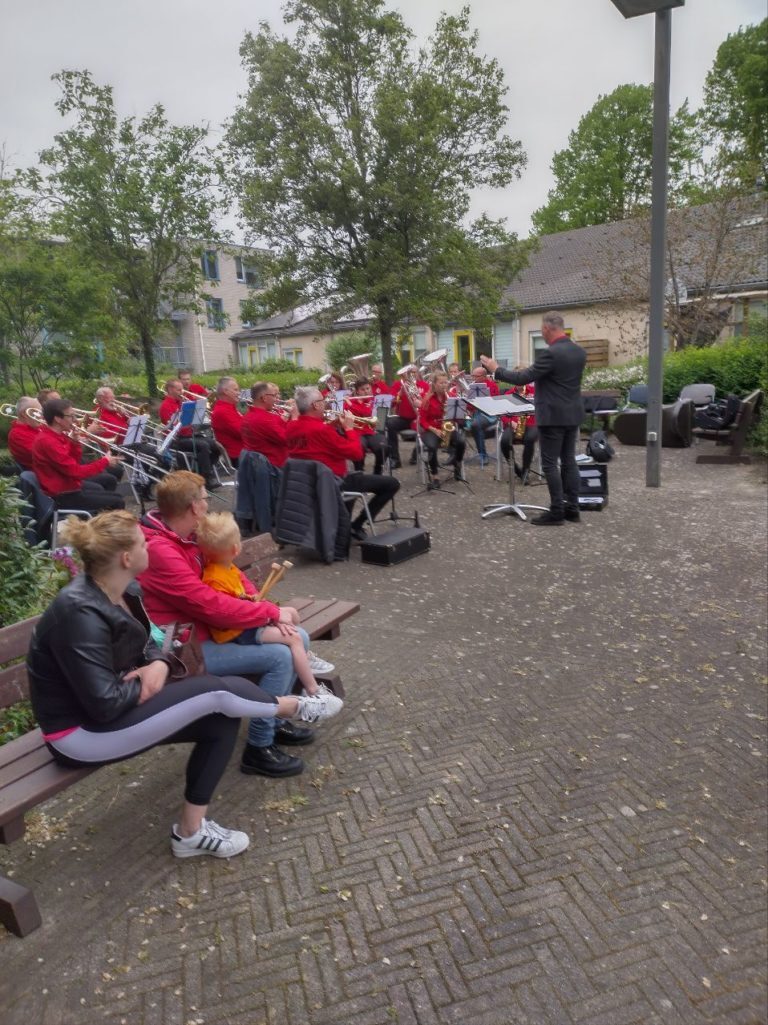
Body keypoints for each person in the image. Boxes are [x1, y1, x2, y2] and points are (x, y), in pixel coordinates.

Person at [27, 510, 342, 861]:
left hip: (112, 709)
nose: (152, 546)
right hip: (79, 735)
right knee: (213, 692)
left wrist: (158, 664)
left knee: (220, 719)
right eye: (144, 543)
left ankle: (190, 833)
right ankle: (296, 706)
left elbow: (149, 640)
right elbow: (105, 704)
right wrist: (153, 676)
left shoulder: (123, 590)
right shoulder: (79, 612)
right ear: (127, 558)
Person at [138, 471, 336, 779]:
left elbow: (226, 570)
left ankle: (274, 720)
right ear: (193, 507)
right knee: (280, 655)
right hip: (183, 649)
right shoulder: (161, 549)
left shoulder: (186, 534)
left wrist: (258, 602)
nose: (207, 504)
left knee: (298, 636)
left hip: (210, 632)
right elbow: (208, 604)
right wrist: (267, 612)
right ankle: (259, 747)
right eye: (205, 499)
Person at [196, 511, 328, 697]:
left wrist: (270, 613)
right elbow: (231, 612)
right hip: (239, 631)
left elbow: (244, 593)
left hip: (247, 620)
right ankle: (312, 689)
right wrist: (265, 615)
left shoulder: (227, 567)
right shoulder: (215, 579)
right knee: (295, 639)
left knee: (291, 613)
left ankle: (304, 658)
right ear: (235, 549)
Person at [482, 311, 586, 525]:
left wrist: (496, 369)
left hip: (552, 416)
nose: (542, 333)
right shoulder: (578, 352)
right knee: (569, 461)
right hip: (572, 413)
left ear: (548, 328)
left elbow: (522, 377)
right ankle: (572, 509)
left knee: (549, 464)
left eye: (542, 329)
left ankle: (557, 512)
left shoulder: (551, 353)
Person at [286, 385, 400, 540]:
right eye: (322, 400)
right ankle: (357, 525)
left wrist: (333, 426)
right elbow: (356, 454)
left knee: (356, 477)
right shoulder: (321, 430)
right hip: (333, 482)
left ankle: (343, 525)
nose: (326, 403)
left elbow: (312, 437)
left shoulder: (291, 426)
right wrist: (349, 429)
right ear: (315, 405)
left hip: (307, 482)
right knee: (392, 484)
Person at [32, 398, 126, 511]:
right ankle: (103, 524)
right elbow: (75, 472)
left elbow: (73, 462)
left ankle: (101, 521)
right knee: (117, 501)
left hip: (70, 486)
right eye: (71, 416)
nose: (75, 420)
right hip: (62, 495)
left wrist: (74, 444)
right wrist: (104, 461)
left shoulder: (57, 435)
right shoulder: (48, 441)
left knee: (114, 496)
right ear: (58, 419)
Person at [158, 378, 222, 490]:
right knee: (203, 446)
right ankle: (206, 479)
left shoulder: (182, 402)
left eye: (182, 389)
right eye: (179, 390)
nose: (182, 392)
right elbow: (176, 428)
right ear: (170, 390)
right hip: (176, 439)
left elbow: (191, 422)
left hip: (189, 435)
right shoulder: (165, 406)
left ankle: (203, 472)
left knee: (216, 445)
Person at [418, 371, 467, 490]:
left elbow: (459, 417)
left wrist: (459, 413)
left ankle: (457, 465)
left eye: (446, 382)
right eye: (441, 383)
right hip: (430, 430)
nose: (444, 385)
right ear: (434, 384)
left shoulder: (450, 396)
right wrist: (434, 430)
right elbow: (422, 421)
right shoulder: (427, 398)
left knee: (461, 442)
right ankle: (435, 477)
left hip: (446, 427)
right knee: (432, 447)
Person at [241, 381, 296, 468]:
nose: (276, 399)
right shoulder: (264, 419)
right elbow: (289, 439)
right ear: (264, 398)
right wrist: (295, 417)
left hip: (260, 467)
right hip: (275, 469)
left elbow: (282, 425)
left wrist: (289, 415)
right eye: (274, 395)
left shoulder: (248, 416)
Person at [387, 370, 428, 468]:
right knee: (389, 424)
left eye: (414, 372)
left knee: (428, 426)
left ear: (418, 373)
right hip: (404, 418)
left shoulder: (424, 385)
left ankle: (416, 453)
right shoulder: (398, 384)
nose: (411, 375)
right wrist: (399, 394)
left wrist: (420, 402)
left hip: (419, 418)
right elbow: (390, 403)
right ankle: (395, 459)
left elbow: (429, 403)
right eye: (408, 372)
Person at [345, 378, 387, 475]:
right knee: (359, 447)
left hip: (372, 432)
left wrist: (351, 405)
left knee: (383, 446)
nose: (366, 391)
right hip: (357, 433)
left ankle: (378, 470)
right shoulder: (350, 402)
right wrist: (350, 404)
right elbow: (347, 414)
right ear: (357, 391)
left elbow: (367, 413)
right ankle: (359, 471)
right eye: (362, 389)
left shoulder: (375, 401)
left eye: (368, 388)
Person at [499, 382, 538, 483]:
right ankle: (516, 469)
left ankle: (526, 471)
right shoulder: (509, 394)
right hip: (514, 424)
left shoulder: (535, 391)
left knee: (530, 439)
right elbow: (503, 413)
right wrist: (510, 422)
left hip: (532, 424)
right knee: (504, 441)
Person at [466, 366, 500, 467]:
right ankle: (456, 458)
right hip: (476, 414)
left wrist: (485, 399)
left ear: (484, 376)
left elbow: (496, 404)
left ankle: (483, 455)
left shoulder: (492, 386)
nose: (473, 378)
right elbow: (469, 406)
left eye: (476, 376)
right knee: (463, 423)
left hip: (489, 414)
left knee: (476, 425)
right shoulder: (472, 387)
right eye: (472, 376)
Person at [209, 376, 244, 468]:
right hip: (240, 455)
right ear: (225, 391)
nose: (238, 393)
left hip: (245, 451)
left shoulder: (230, 408)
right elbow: (243, 433)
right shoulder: (223, 411)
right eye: (236, 390)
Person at [8, 396, 43, 470]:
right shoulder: (17, 435)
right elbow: (44, 456)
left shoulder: (38, 427)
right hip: (48, 475)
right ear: (24, 414)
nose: (41, 417)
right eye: (37, 412)